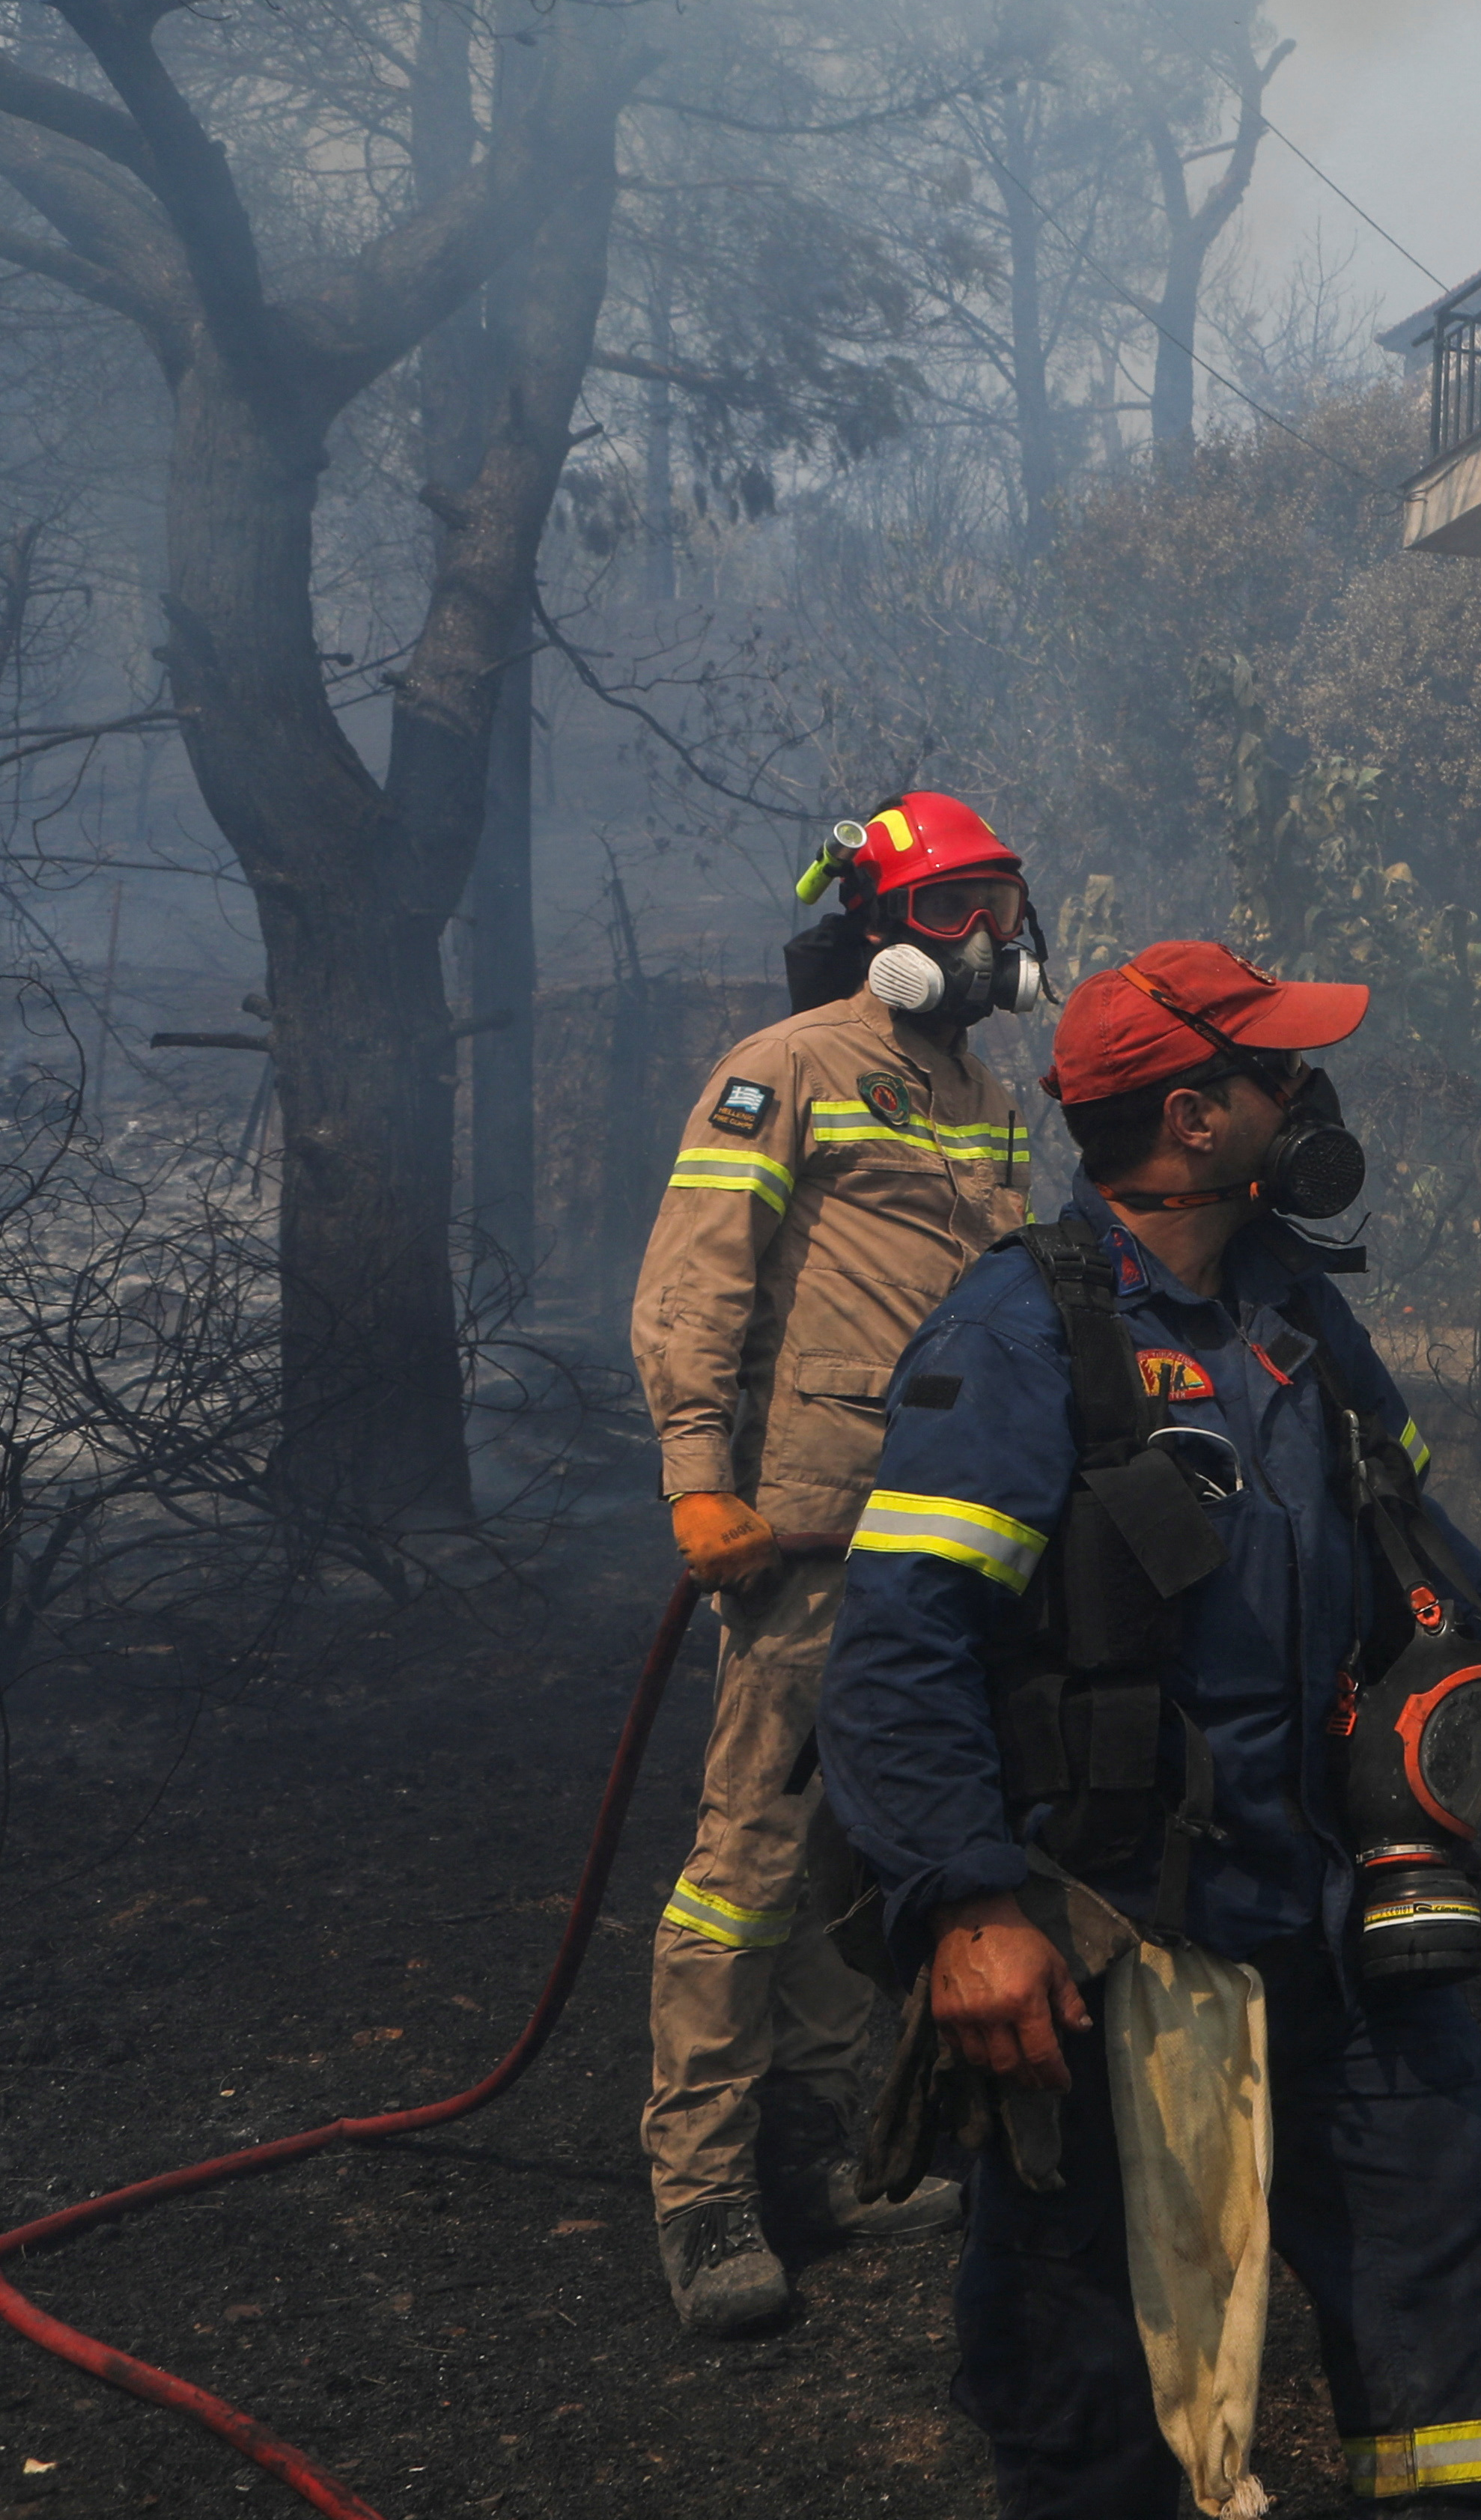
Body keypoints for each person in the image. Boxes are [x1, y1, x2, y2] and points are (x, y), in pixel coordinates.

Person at [821, 940, 1481, 2516]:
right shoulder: (1019, 1338)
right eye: (1276, 1070)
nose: (1308, 1096)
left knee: (1462, 2230)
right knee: (1099, 2379)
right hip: (1119, 1948)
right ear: (1198, 1121)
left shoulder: (1289, 1310)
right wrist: (962, 1903)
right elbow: (896, 1647)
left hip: (1332, 1916)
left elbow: (1406, 1529)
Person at [629, 789, 1046, 2334]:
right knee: (746, 1868)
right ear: (875, 931)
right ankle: (705, 2195)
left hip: (945, 1529)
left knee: (858, 1855)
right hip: (804, 1527)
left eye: (1001, 905)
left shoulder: (988, 1098)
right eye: (951, 911)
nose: (988, 941)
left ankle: (823, 2159)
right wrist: (695, 1477)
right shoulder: (782, 1071)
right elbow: (695, 1282)